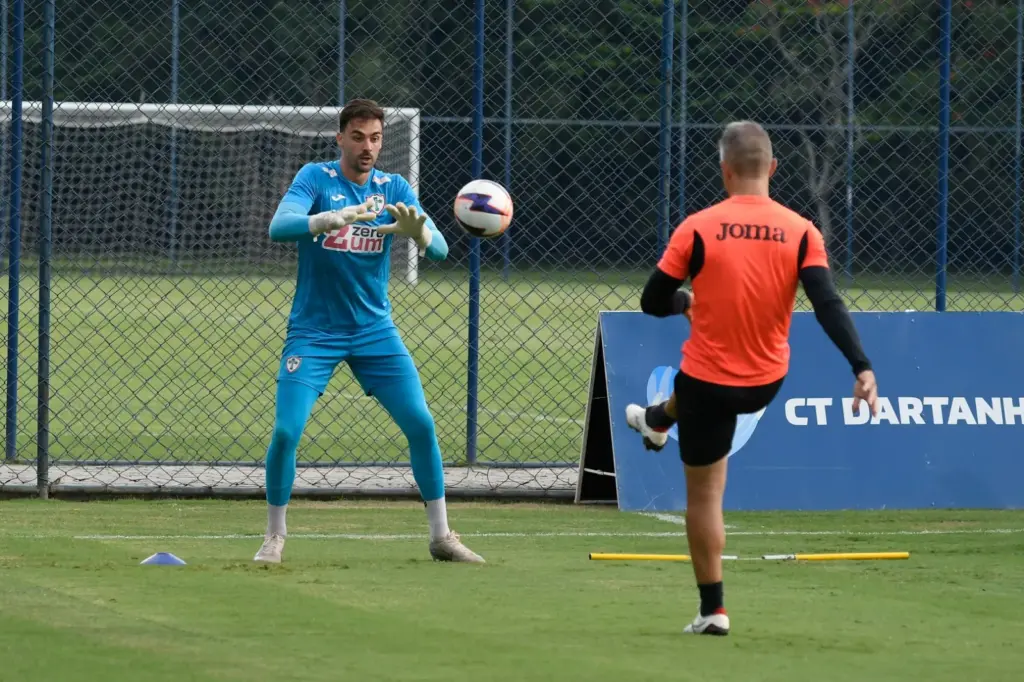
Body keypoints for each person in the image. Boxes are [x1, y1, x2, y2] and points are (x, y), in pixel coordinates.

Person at [625, 120, 878, 635]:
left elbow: (651, 301)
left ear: (724, 171)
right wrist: (861, 366)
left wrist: (683, 300)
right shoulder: (802, 230)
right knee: (694, 392)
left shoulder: (697, 227)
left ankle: (713, 611)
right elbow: (827, 303)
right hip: (765, 381)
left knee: (704, 496)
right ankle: (658, 419)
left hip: (707, 383)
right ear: (773, 168)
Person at [253, 98, 484, 565]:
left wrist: (419, 233)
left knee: (421, 424)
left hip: (374, 331)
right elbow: (279, 227)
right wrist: (325, 220)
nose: (368, 147)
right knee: (286, 432)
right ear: (340, 138)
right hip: (314, 333)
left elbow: (440, 250)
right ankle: (274, 536)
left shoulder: (393, 187)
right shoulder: (316, 178)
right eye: (358, 137)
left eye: (375, 138)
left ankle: (441, 536)